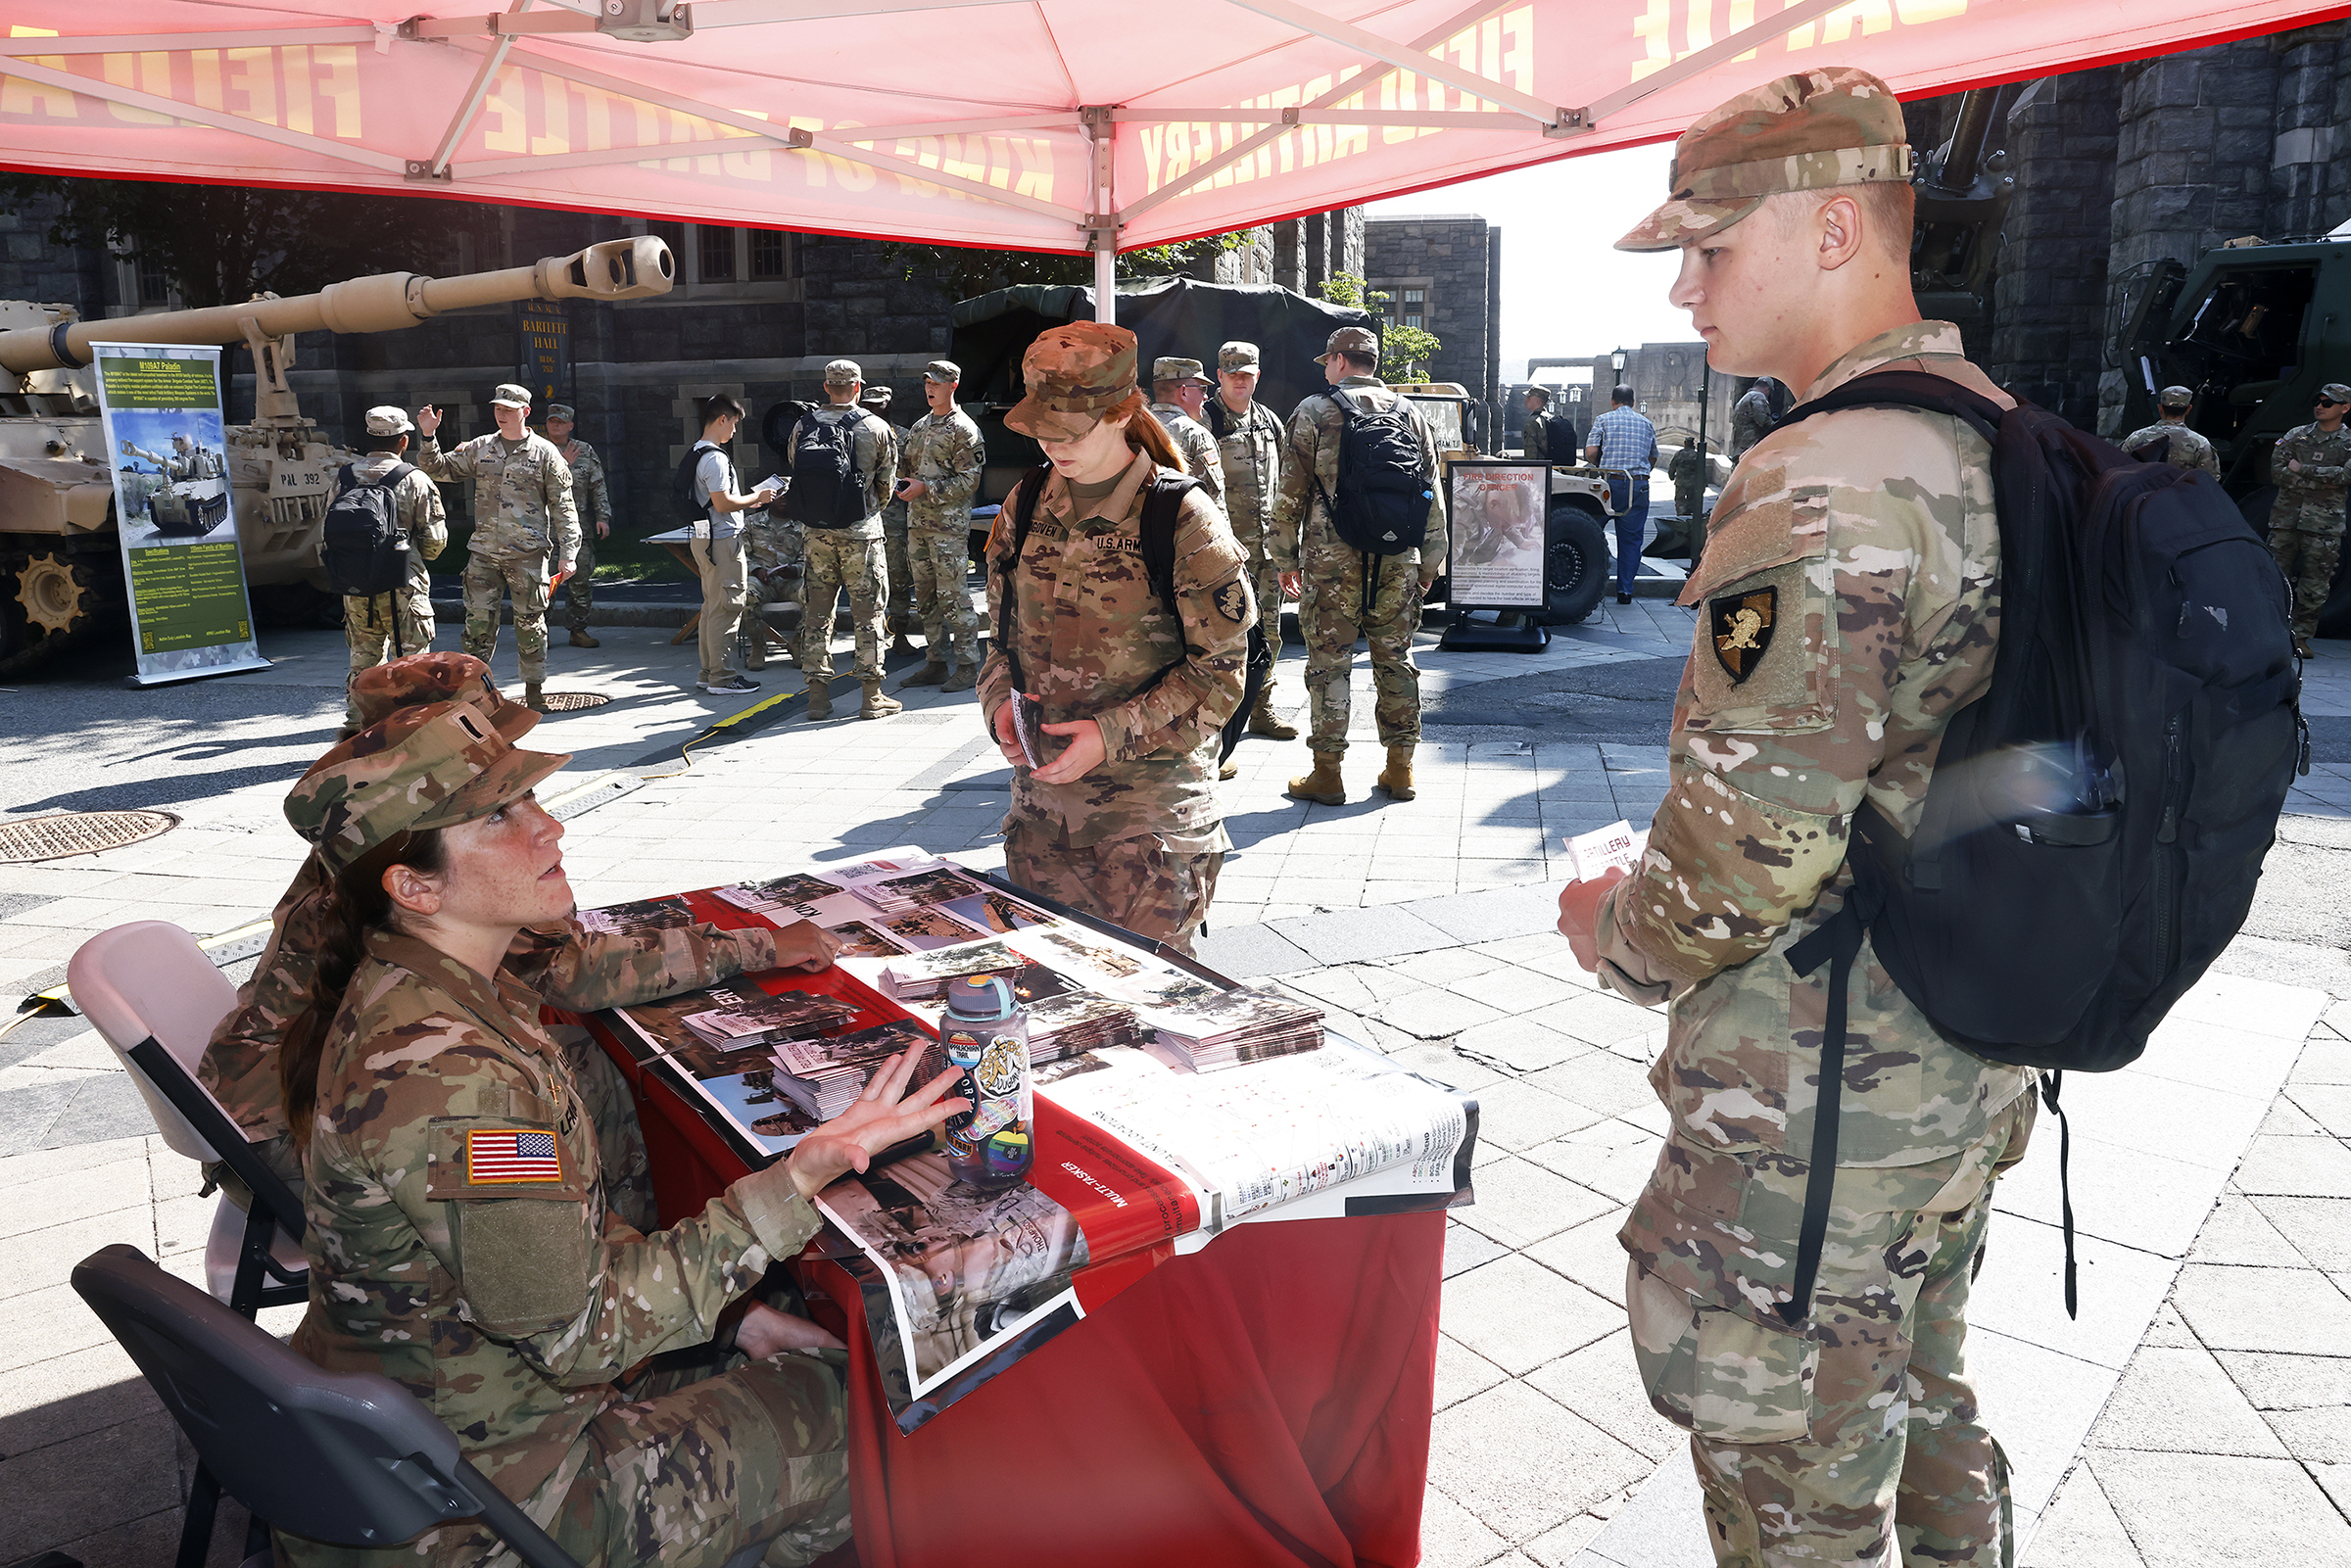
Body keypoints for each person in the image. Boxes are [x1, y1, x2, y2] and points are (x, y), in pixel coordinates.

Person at [1555, 67, 2036, 1568]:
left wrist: (1611, 932)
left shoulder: (1824, 479)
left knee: (1792, 1488)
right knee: (1928, 1394)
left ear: (1834, 231)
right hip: (1958, 1058)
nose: (1688, 285)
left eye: (1710, 244)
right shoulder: (1993, 429)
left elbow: (1740, 863)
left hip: (1817, 1110)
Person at [274, 697, 965, 1568]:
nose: (550, 825)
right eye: (499, 816)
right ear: (414, 887)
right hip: (497, 1510)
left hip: (459, 1429)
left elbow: (552, 1240)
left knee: (795, 1319)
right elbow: (581, 1335)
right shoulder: (451, 1080)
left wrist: (743, 1318)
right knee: (864, 1410)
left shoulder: (431, 999)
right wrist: (796, 1180)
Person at [199, 651, 835, 1219]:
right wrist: (762, 945)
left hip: (281, 1110)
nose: (549, 820)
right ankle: (615, 1229)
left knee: (568, 1076)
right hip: (290, 1134)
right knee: (589, 1082)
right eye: (496, 797)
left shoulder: (368, 828)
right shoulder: (439, 1059)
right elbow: (579, 971)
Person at [979, 322, 1252, 954]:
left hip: (1147, 834)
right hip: (1042, 826)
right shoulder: (1023, 508)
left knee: (1147, 1027)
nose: (1054, 445)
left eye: (1070, 429)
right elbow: (997, 642)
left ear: (1124, 410)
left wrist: (1108, 735)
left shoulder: (1181, 519)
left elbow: (1221, 674)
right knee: (1049, 1015)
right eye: (1041, 429)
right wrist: (997, 705)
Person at [1271, 325, 1449, 806]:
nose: (1326, 369)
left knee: (1330, 664)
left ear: (1341, 361)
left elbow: (1290, 491)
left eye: (1328, 361)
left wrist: (1284, 557)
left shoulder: (1313, 411)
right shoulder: (1410, 413)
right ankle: (1400, 769)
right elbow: (1430, 491)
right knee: (1396, 660)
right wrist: (1431, 561)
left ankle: (1327, 774)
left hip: (1332, 561)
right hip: (1397, 560)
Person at [414, 385, 579, 713]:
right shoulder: (480, 448)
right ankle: (473, 693)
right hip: (485, 553)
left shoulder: (545, 454)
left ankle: (534, 692)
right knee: (476, 626)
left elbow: (564, 506)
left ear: (525, 412)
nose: (501, 414)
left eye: (508, 409)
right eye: (497, 408)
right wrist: (429, 435)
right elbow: (438, 469)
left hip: (527, 555)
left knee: (530, 625)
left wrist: (569, 553)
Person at [790, 360, 901, 722]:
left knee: (817, 614)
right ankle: (871, 696)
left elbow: (796, 470)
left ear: (826, 386)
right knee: (868, 615)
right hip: (862, 535)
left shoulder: (802, 425)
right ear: (857, 387)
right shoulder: (876, 427)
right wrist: (864, 511)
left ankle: (817, 698)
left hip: (816, 536)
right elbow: (886, 486)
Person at [1204, 340, 1299, 742]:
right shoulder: (1206, 421)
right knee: (1225, 637)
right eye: (1233, 374)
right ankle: (1219, 724)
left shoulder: (1269, 421)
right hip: (1225, 552)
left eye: (1247, 375)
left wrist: (1289, 547)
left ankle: (1261, 709)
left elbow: (1286, 483)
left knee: (1270, 632)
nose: (1240, 381)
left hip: (1268, 549)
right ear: (1220, 376)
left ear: (1257, 376)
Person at [334, 407, 446, 738]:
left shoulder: (343, 477)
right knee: (412, 664)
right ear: (404, 441)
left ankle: (356, 729)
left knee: (363, 659)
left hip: (356, 585)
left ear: (368, 439)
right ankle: (412, 730)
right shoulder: (413, 479)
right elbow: (436, 544)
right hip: (404, 586)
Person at [894, 360, 987, 692]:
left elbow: (970, 480)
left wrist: (926, 489)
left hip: (947, 527)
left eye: (935, 383)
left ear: (953, 386)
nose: (929, 388)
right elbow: (909, 467)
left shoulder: (964, 429)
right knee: (926, 596)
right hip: (917, 524)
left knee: (953, 595)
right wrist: (901, 483)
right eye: (926, 383)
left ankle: (966, 664)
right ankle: (935, 662)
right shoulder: (920, 427)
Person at [685, 394, 780, 696]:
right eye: (734, 424)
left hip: (703, 537)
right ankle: (723, 677)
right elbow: (723, 503)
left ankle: (707, 672)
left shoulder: (696, 452)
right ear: (722, 419)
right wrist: (758, 498)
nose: (734, 432)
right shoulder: (715, 457)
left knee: (712, 606)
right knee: (728, 606)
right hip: (722, 540)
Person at [2270, 382, 2351, 657]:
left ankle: (2300, 637)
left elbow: (2346, 477)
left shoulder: (2349, 443)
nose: (2320, 406)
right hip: (2286, 520)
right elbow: (2277, 471)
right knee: (2273, 578)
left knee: (2315, 584)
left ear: (2345, 408)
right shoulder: (2296, 436)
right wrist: (2323, 480)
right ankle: (2270, 633)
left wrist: (2303, 470)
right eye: (2318, 401)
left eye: (2328, 403)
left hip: (2324, 525)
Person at [544, 404, 611, 649]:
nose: (556, 425)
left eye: (561, 422)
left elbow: (598, 485)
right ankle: (540, 632)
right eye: (552, 421)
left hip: (578, 527)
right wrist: (561, 464)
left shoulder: (584, 450)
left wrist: (602, 516)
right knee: (545, 582)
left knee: (580, 581)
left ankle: (578, 630)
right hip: (545, 529)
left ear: (570, 426)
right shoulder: (536, 450)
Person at [1586, 384, 1660, 604]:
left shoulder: (1603, 420)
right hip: (1637, 486)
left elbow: (1591, 452)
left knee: (1591, 532)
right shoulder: (1647, 423)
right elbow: (1653, 457)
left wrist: (1601, 465)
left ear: (1612, 401)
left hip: (1611, 483)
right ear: (1633, 402)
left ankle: (1590, 585)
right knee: (1631, 541)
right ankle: (1625, 590)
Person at [864, 384, 922, 663]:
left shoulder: (905, 435)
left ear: (889, 405)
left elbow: (914, 472)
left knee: (898, 577)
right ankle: (868, 639)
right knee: (865, 580)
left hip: (896, 516)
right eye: (870, 404)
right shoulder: (855, 433)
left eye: (880, 404)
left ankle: (899, 633)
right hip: (864, 515)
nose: (875, 408)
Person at [1145, 357, 1227, 509]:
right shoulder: (1196, 435)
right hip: (1184, 529)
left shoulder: (1135, 428)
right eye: (1202, 389)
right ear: (1183, 391)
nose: (1205, 397)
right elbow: (1213, 504)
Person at [2119, 386, 2221, 476]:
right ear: (2189, 409)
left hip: (2142, 496)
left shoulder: (2135, 437)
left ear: (2160, 409)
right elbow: (2209, 481)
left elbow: (2119, 470)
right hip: (2180, 496)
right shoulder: (2200, 443)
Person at [1667, 435, 1709, 562]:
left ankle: (1681, 515)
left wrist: (1671, 475)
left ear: (1685, 443)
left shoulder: (1679, 454)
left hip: (1681, 482)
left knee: (1680, 500)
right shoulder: (1697, 455)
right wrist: (1704, 482)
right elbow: (1702, 469)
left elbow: (1672, 466)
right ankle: (1689, 518)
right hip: (1694, 483)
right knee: (1692, 501)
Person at [1730, 375, 1784, 460]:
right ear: (1767, 389)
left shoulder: (1744, 398)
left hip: (1740, 449)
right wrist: (1781, 426)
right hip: (1751, 448)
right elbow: (1763, 421)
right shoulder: (1758, 396)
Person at [1522, 386, 1576, 463]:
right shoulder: (1553, 419)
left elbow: (1531, 453)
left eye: (1529, 397)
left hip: (1542, 470)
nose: (1525, 400)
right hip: (1558, 468)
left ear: (1537, 401)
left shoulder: (1533, 422)